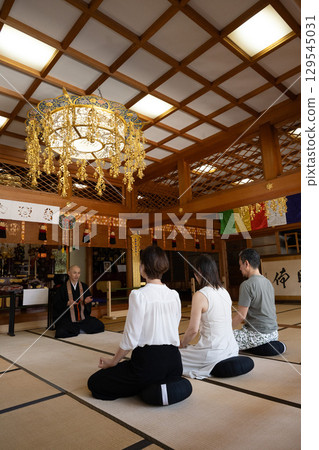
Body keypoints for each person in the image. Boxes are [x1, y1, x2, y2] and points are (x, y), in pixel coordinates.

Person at [87, 245, 182, 400]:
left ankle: (144, 384)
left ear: (143, 267)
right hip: (175, 363)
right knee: (128, 372)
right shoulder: (174, 295)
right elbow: (174, 325)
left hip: (148, 364)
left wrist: (113, 362)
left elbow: (130, 338)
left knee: (95, 382)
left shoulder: (139, 295)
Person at [180, 254, 238, 379]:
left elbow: (193, 330)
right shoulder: (225, 291)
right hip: (232, 350)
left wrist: (182, 344)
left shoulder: (200, 295)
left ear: (198, 273)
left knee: (172, 355)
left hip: (213, 353)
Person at [232, 248, 279, 350]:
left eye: (240, 264)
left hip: (257, 335)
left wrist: (225, 330)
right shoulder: (268, 282)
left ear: (246, 263)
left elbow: (241, 316)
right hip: (274, 334)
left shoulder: (247, 285)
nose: (240, 268)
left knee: (220, 339)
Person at [53, 265, 104, 338]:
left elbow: (88, 307)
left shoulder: (84, 286)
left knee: (100, 325)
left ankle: (77, 330)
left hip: (82, 318)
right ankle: (81, 330)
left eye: (78, 273)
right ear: (69, 273)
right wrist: (67, 303)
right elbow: (56, 305)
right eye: (74, 273)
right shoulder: (62, 288)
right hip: (68, 318)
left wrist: (86, 302)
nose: (77, 275)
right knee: (61, 332)